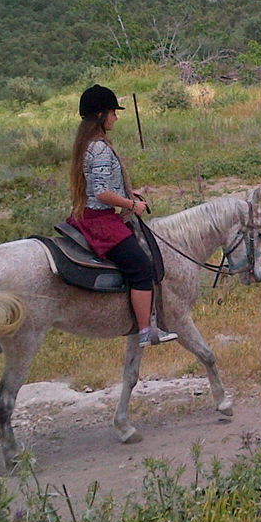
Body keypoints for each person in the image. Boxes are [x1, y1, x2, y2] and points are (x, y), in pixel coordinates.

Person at [68, 84, 177, 346]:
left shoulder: (88, 145)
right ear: (100, 115)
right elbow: (103, 193)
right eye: (112, 113)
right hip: (101, 220)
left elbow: (99, 185)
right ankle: (145, 331)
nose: (116, 117)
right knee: (141, 267)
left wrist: (127, 191)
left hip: (87, 215)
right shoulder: (101, 149)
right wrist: (130, 204)